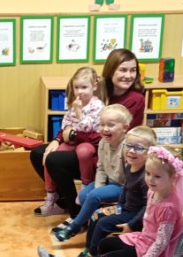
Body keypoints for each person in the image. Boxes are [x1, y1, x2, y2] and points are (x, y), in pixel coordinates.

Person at [37, 145, 183, 257]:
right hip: (143, 239)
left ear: (173, 178)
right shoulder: (154, 191)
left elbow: (161, 242)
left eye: (157, 176)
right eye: (148, 173)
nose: (150, 179)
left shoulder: (169, 207)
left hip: (153, 252)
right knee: (105, 244)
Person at [31, 49, 145, 216]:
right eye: (123, 70)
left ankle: (77, 212)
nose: (128, 75)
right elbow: (73, 116)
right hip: (84, 142)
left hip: (105, 155)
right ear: (111, 70)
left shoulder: (134, 99)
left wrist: (72, 135)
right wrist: (58, 138)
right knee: (39, 153)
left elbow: (109, 137)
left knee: (55, 160)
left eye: (133, 70)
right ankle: (62, 201)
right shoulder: (98, 88)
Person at [52, 103, 132, 242]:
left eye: (111, 125)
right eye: (102, 124)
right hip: (109, 181)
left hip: (122, 186)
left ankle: (74, 227)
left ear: (125, 128)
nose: (105, 129)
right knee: (84, 195)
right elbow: (101, 168)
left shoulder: (127, 148)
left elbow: (130, 178)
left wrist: (97, 193)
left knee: (94, 196)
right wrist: (99, 187)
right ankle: (90, 222)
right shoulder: (103, 143)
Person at [33, 66, 105, 217]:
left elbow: (88, 128)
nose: (79, 91)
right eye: (76, 87)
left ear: (94, 86)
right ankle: (51, 194)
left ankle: (85, 186)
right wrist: (64, 133)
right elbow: (66, 123)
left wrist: (77, 117)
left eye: (84, 87)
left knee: (84, 151)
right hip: (74, 141)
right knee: (51, 155)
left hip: (89, 144)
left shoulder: (97, 105)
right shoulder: (75, 104)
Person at [84, 125, 154, 257]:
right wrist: (118, 206)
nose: (131, 151)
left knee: (102, 224)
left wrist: (132, 225)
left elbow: (149, 207)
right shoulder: (130, 166)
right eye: (129, 146)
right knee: (96, 215)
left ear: (150, 151)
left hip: (136, 215)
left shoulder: (146, 177)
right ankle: (89, 248)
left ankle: (92, 256)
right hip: (125, 208)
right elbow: (125, 188)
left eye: (139, 148)